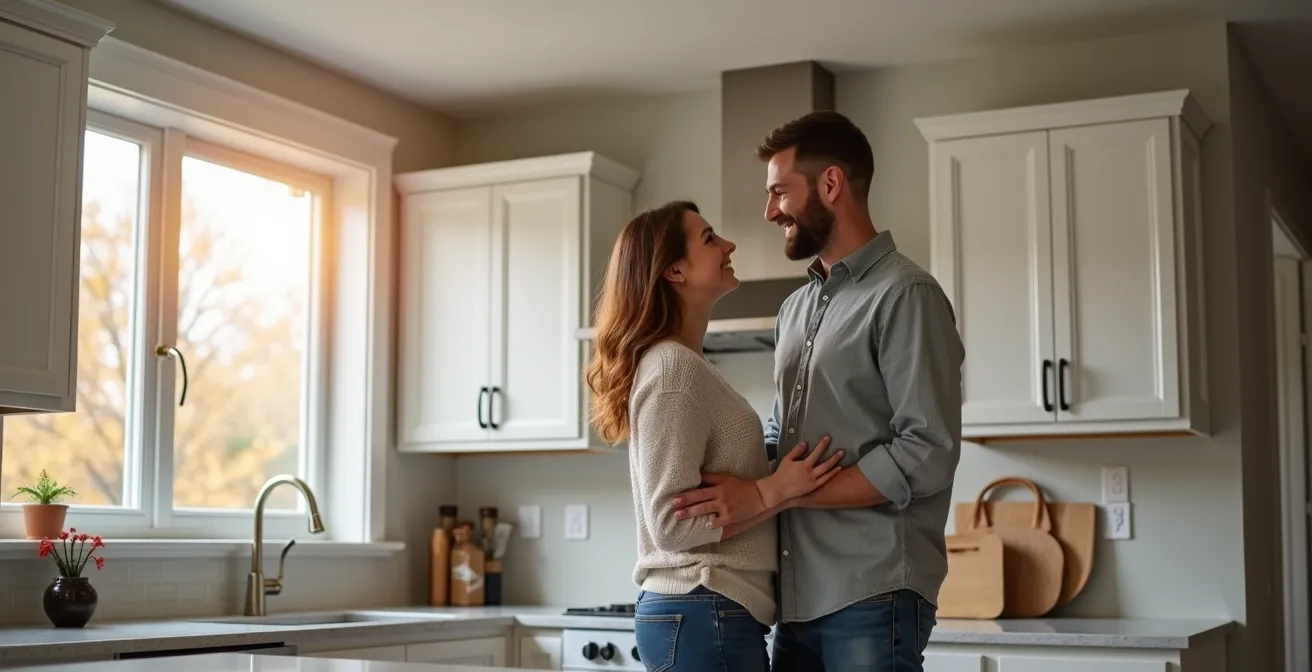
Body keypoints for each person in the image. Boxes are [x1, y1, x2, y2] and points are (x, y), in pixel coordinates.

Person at [669, 111, 966, 671]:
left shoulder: (906, 295)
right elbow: (783, 435)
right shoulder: (796, 308)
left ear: (830, 185)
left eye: (780, 191)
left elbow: (926, 453)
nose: (769, 210)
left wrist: (777, 493)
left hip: (873, 592)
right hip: (795, 603)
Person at [585, 200, 845, 672]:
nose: (729, 244)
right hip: (701, 606)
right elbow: (671, 525)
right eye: (709, 239)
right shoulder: (673, 371)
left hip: (705, 611)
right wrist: (776, 490)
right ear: (674, 271)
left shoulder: (689, 367)